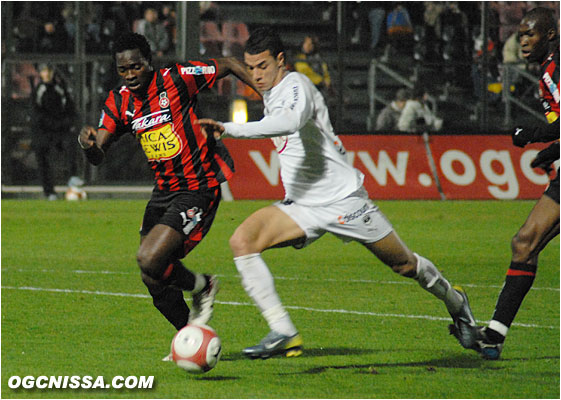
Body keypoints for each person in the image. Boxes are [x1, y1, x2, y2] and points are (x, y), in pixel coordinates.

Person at [195, 27, 477, 360]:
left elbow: (288, 123)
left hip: (344, 200)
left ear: (281, 61)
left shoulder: (297, 85)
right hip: (302, 205)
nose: (256, 75)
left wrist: (229, 129)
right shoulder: (269, 89)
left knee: (404, 265)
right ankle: (283, 331)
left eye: (263, 66)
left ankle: (457, 304)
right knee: (242, 241)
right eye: (251, 67)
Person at [77, 33, 260, 358]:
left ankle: (203, 286)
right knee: (152, 275)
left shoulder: (176, 78)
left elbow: (230, 64)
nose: (131, 74)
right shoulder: (118, 102)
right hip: (163, 192)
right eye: (124, 70)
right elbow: (98, 154)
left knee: (149, 258)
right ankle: (191, 339)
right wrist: (88, 145)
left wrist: (270, 98)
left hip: (198, 186)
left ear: (149, 61)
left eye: (136, 66)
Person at [469, 7, 560, 360]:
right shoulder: (548, 70)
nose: (522, 41)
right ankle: (493, 336)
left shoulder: (555, 70)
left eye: (529, 34)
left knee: (525, 242)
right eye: (520, 34)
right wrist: (552, 151)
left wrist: (533, 135)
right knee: (524, 243)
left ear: (549, 35)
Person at [31, 63, 76, 200]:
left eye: (49, 71)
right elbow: (36, 112)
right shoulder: (39, 90)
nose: (47, 74)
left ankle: (73, 180)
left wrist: (66, 123)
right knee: (42, 157)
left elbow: (69, 107)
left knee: (71, 148)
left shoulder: (60, 89)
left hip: (60, 130)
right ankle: (49, 191)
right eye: (44, 71)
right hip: (43, 131)